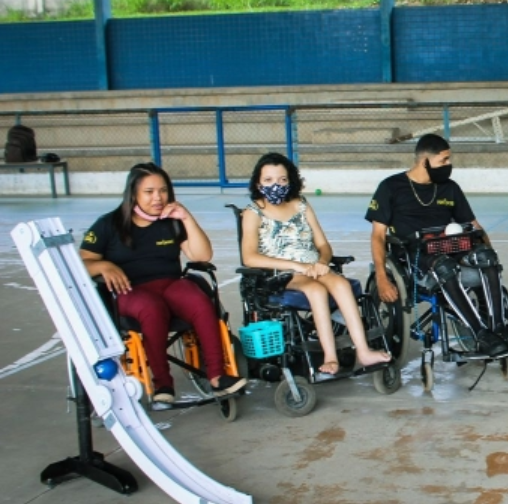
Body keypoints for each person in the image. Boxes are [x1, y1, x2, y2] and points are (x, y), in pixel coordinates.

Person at [81, 162, 246, 404]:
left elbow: (202, 256)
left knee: (199, 299)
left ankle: (217, 377)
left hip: (169, 283)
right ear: (133, 193)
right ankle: (163, 385)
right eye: (149, 192)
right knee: (152, 308)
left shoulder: (171, 220)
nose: (158, 198)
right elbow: (83, 260)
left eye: (163, 191)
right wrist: (103, 266)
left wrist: (186, 218)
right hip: (130, 290)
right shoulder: (109, 224)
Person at [366, 133, 508, 357]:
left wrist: (488, 251)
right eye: (444, 160)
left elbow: (473, 225)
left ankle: (498, 328)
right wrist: (381, 275)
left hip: (453, 246)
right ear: (424, 162)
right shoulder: (391, 187)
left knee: (486, 257)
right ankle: (480, 334)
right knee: (444, 266)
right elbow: (378, 236)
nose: (449, 165)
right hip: (416, 256)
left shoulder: (450, 188)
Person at [240, 153, 391, 376]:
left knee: (341, 284)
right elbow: (249, 257)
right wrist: (297, 266)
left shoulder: (301, 204)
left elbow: (322, 244)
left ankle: (364, 351)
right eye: (269, 180)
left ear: (290, 180)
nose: (276, 185)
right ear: (258, 183)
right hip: (282, 273)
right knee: (316, 290)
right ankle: (330, 356)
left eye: (282, 180)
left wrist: (322, 261)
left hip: (314, 266)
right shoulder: (253, 213)